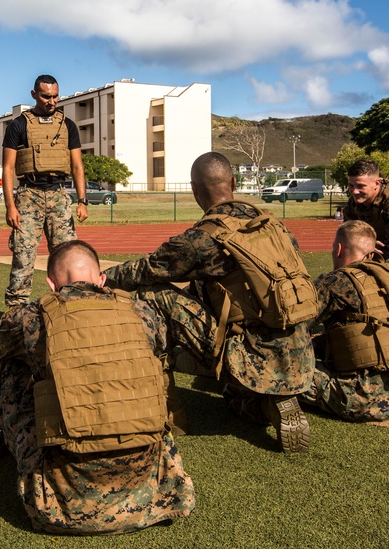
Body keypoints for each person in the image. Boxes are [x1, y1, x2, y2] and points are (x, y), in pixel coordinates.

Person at [0, 240, 195, 535]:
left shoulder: (33, 317)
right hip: (155, 496)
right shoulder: (142, 313)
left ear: (51, 284)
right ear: (100, 279)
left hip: (59, 508)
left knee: (4, 369)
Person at [104, 152, 316, 453]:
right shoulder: (273, 226)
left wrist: (99, 278)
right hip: (300, 352)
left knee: (154, 292)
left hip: (249, 352)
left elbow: (145, 269)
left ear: (193, 190)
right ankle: (273, 397)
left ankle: (167, 401)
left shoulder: (204, 238)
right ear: (233, 182)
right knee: (232, 395)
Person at [302, 220, 389, 426]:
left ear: (338, 249)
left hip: (365, 399)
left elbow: (296, 328)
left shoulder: (335, 281)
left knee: (277, 361)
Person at [1, 75, 88, 307]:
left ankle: (69, 306)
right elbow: (8, 168)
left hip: (59, 195)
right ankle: (16, 311)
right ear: (33, 95)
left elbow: (77, 165)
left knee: (67, 256)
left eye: (55, 96)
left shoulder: (68, 125)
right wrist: (10, 206)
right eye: (46, 96)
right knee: (23, 256)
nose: (51, 101)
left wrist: (82, 200)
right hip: (29, 195)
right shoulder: (18, 125)